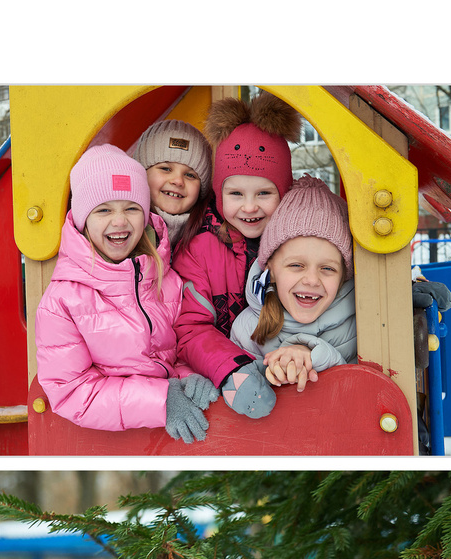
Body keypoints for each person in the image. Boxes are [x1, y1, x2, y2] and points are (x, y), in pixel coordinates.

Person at [35, 145, 210, 440]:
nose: (119, 221)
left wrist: (190, 377)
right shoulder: (63, 301)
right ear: (83, 219)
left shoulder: (166, 278)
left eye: (131, 208)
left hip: (172, 433)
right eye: (103, 210)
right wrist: (160, 400)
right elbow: (71, 392)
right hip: (113, 441)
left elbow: (178, 350)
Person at [173, 95, 297, 390]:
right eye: (236, 194)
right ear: (218, 194)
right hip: (225, 375)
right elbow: (190, 328)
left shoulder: (297, 241)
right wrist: (234, 369)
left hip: (289, 370)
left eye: (264, 194)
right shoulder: (199, 248)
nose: (250, 207)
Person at [222, 178, 358, 419]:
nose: (312, 280)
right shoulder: (247, 328)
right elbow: (237, 397)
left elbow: (362, 395)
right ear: (271, 270)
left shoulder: (361, 321)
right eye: (296, 265)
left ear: (344, 276)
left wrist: (312, 354)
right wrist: (268, 374)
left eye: (328, 269)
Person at [129, 116, 212, 260]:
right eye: (166, 169)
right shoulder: (122, 230)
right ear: (142, 174)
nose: (178, 181)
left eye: (190, 175)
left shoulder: (211, 237)